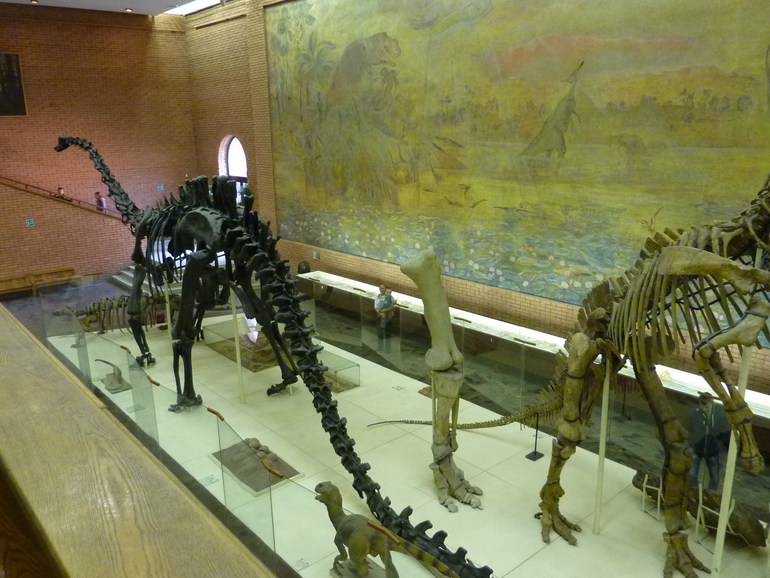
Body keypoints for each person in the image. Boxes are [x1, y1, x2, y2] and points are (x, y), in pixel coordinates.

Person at [687, 392, 729, 491]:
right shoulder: (694, 413)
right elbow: (689, 429)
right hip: (697, 448)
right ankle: (693, 490)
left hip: (713, 450)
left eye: (707, 406)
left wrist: (718, 444)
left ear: (712, 403)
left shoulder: (720, 415)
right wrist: (691, 443)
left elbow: (725, 432)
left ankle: (711, 494)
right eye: (703, 406)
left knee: (714, 477)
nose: (705, 409)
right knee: (692, 474)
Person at [374, 284, 397, 351]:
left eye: (383, 288)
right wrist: (380, 313)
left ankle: (387, 349)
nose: (382, 289)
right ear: (379, 289)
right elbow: (376, 307)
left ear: (385, 289)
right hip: (380, 317)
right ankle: (380, 347)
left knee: (387, 334)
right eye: (381, 288)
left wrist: (384, 310)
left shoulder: (389, 297)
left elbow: (393, 306)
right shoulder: (377, 297)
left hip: (388, 317)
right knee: (380, 333)